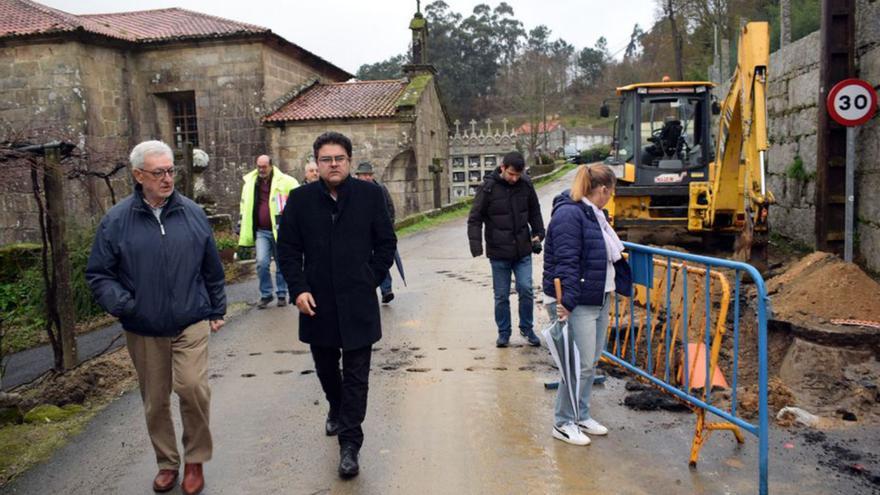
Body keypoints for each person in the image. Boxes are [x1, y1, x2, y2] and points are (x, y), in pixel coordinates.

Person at [86, 140, 226, 494]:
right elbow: (99, 273)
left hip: (190, 319)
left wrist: (217, 307)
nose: (167, 179)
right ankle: (167, 463)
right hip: (145, 326)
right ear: (138, 175)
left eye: (170, 171)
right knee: (155, 400)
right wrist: (125, 306)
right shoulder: (116, 220)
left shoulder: (192, 212)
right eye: (159, 172)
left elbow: (211, 265)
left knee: (193, 388)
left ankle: (195, 459)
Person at [277, 132, 396, 479]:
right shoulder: (299, 200)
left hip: (358, 302)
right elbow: (287, 250)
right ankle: (335, 406)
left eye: (339, 159)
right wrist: (298, 290)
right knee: (328, 370)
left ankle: (349, 444)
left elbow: (386, 242)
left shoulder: (370, 195)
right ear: (316, 163)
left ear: (348, 160)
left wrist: (369, 277)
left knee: (357, 377)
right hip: (317, 304)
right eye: (326, 159)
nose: (333, 165)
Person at [542, 164, 632, 446]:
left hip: (598, 296)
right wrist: (566, 302)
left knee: (589, 363)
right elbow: (567, 260)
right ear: (603, 190)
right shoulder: (571, 214)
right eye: (611, 192)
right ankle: (563, 422)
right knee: (576, 365)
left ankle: (580, 414)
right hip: (577, 301)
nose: (611, 196)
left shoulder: (596, 215)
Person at [467, 151, 545, 348]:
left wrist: (538, 233)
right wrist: (476, 246)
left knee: (526, 289)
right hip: (499, 251)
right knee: (501, 295)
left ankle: (527, 328)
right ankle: (504, 332)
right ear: (502, 167)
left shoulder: (526, 184)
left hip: (522, 250)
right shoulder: (488, 188)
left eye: (518, 175)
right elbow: (475, 218)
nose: (514, 179)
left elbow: (534, 211)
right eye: (511, 174)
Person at [238, 155, 299, 309]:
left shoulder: (286, 181)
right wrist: (241, 223)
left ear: (271, 166)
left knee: (280, 263)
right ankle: (266, 294)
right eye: (259, 166)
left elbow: (298, 199)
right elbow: (244, 205)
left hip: (280, 230)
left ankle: (281, 294)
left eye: (264, 167)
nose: (261, 170)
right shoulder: (251, 182)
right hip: (261, 231)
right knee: (262, 262)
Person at [353, 161, 397, 303]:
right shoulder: (352, 192)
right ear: (357, 176)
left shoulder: (380, 189)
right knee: (362, 263)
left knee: (381, 260)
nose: (366, 177)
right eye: (363, 174)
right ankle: (365, 290)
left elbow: (390, 208)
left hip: (378, 234)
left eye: (369, 174)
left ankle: (386, 290)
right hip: (360, 235)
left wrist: (387, 228)